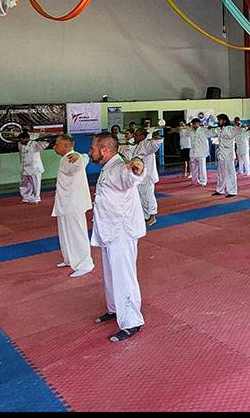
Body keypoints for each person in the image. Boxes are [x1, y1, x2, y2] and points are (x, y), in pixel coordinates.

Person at [88, 132, 148, 342]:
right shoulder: (108, 167)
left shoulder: (118, 168)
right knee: (110, 274)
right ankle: (114, 308)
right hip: (109, 230)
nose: (90, 152)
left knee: (123, 276)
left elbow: (131, 174)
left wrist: (138, 166)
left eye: (93, 148)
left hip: (121, 231)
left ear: (104, 150)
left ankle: (132, 321)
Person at [50, 134, 94, 278]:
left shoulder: (71, 158)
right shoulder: (68, 157)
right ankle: (69, 259)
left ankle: (85, 264)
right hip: (65, 204)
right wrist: (81, 155)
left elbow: (80, 164)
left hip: (73, 204)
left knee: (77, 234)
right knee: (65, 233)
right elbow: (84, 159)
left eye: (57, 144)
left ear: (66, 146)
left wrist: (79, 156)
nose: (54, 147)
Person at [128, 128, 164, 226]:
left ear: (142, 136)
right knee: (141, 197)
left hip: (147, 176)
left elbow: (156, 143)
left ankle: (152, 217)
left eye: (136, 135)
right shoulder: (139, 144)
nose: (134, 136)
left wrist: (157, 136)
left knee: (148, 197)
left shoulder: (147, 144)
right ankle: (145, 216)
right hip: (140, 176)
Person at [210, 114, 247, 197]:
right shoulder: (219, 129)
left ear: (224, 121)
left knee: (230, 173)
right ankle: (220, 190)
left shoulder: (231, 129)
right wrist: (209, 127)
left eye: (219, 120)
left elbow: (240, 129)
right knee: (220, 173)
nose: (218, 121)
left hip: (229, 154)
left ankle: (232, 191)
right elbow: (211, 131)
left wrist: (239, 125)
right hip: (221, 154)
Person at [16, 131, 50, 204]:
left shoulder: (35, 144)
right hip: (24, 167)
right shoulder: (20, 144)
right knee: (24, 183)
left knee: (36, 184)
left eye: (21, 140)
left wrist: (42, 137)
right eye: (19, 140)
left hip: (35, 168)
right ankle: (26, 197)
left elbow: (45, 144)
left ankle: (36, 198)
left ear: (27, 139)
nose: (20, 141)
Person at [189, 119, 211, 186]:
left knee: (202, 168)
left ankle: (203, 181)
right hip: (193, 152)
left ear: (198, 123)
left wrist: (209, 128)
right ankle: (194, 180)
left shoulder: (203, 130)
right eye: (193, 124)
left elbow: (212, 133)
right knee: (193, 167)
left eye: (195, 123)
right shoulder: (191, 131)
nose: (194, 125)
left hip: (201, 152)